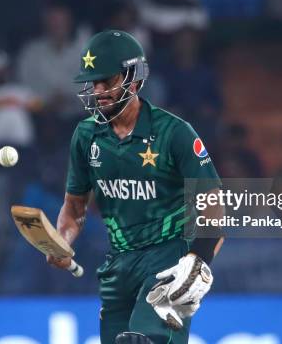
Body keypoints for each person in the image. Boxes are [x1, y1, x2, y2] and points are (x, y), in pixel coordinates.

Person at [46, 30, 224, 343]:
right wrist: (63, 240)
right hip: (117, 266)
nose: (98, 91)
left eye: (107, 81)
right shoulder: (86, 136)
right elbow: (75, 207)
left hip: (167, 260)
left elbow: (214, 206)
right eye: (93, 82)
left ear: (134, 80)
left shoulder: (174, 133)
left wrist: (198, 261)